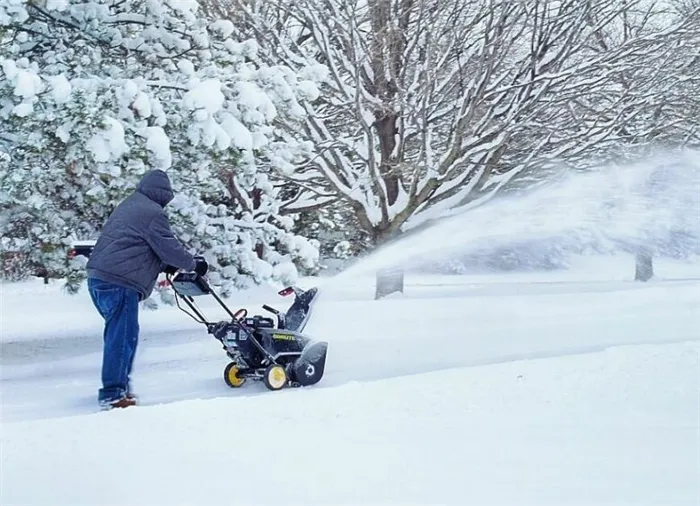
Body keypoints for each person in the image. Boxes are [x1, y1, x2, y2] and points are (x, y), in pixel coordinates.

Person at [86, 169, 208, 410]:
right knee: (122, 339)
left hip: (99, 279)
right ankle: (113, 393)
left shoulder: (130, 206)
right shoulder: (152, 213)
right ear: (163, 194)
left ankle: (119, 387)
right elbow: (169, 247)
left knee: (120, 336)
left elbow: (136, 246)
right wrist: (194, 264)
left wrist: (165, 264)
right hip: (118, 282)